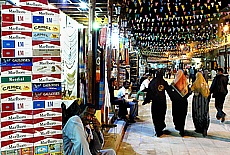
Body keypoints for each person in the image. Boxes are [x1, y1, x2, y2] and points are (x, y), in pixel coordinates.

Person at [142, 70, 169, 137]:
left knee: (155, 116)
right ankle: (160, 128)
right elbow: (169, 90)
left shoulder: (152, 82)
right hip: (162, 102)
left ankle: (158, 130)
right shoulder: (164, 82)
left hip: (155, 102)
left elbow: (149, 93)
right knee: (161, 116)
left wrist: (146, 100)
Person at [167, 69, 192, 137]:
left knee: (176, 115)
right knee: (182, 116)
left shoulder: (173, 84)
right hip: (183, 103)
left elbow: (169, 91)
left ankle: (177, 126)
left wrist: (173, 98)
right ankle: (181, 129)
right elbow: (188, 93)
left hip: (176, 103)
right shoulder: (185, 83)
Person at [191, 72, 210, 137]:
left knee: (197, 114)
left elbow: (191, 89)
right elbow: (208, 92)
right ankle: (204, 128)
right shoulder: (205, 84)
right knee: (204, 113)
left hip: (197, 101)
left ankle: (198, 128)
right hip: (204, 101)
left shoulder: (196, 83)